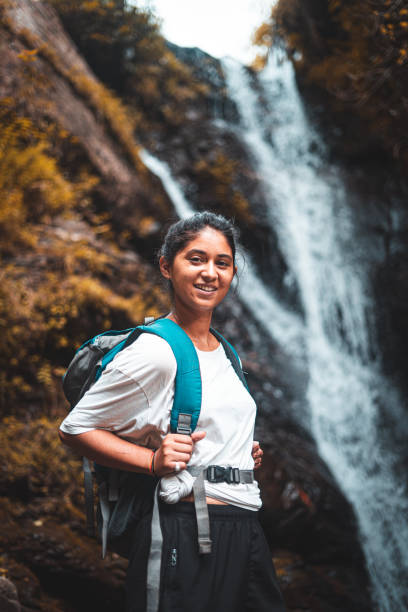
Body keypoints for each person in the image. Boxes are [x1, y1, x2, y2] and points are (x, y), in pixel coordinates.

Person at [59, 211, 286, 612]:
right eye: (195, 259)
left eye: (222, 262)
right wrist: (152, 461)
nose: (210, 273)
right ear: (166, 265)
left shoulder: (226, 351)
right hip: (186, 526)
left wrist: (236, 451)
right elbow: (76, 428)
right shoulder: (155, 352)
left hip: (245, 527)